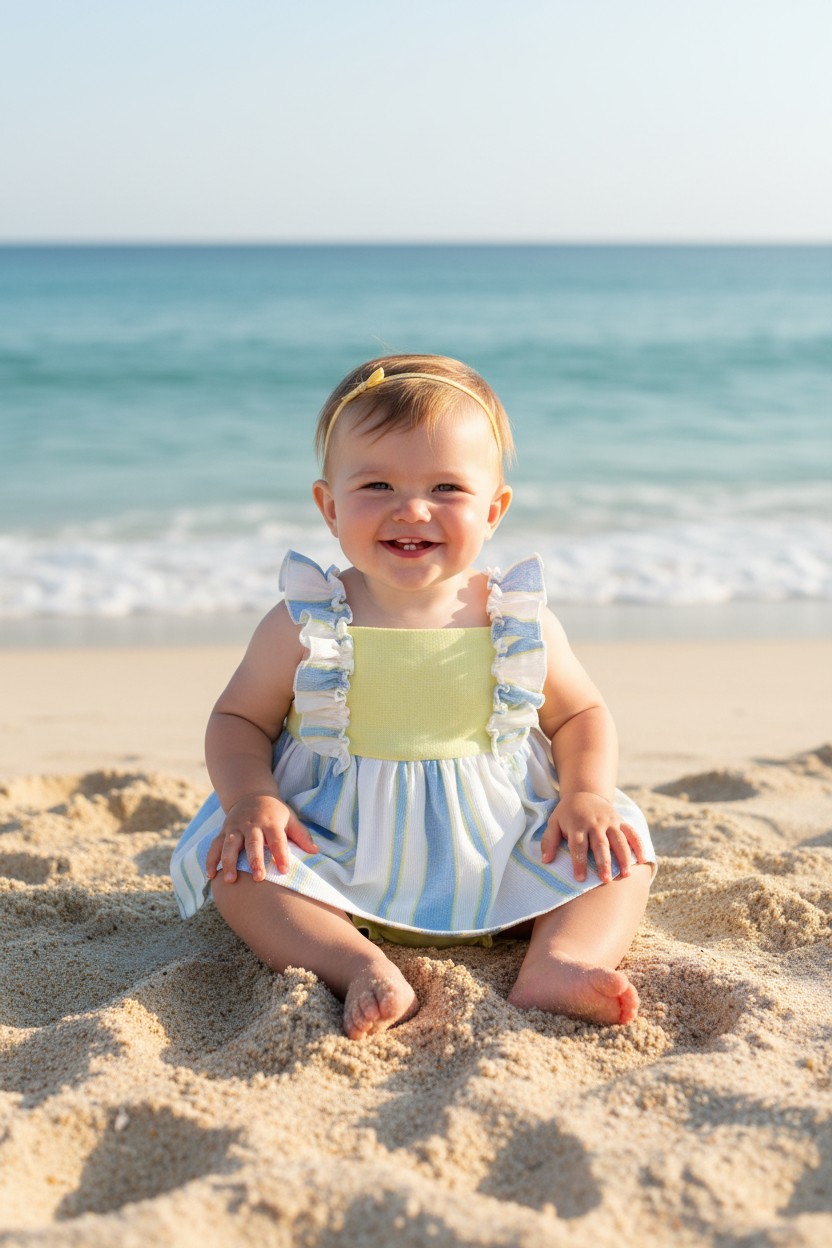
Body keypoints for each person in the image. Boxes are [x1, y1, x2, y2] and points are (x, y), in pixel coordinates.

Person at [171, 355, 656, 1041]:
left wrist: (585, 793)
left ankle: (560, 958)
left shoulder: (515, 619)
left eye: (447, 487)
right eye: (378, 483)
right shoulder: (307, 620)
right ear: (329, 506)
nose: (412, 507)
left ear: (493, 511)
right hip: (338, 839)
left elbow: (580, 714)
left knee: (621, 850)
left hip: (494, 837)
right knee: (240, 871)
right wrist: (253, 799)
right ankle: (354, 963)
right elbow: (238, 719)